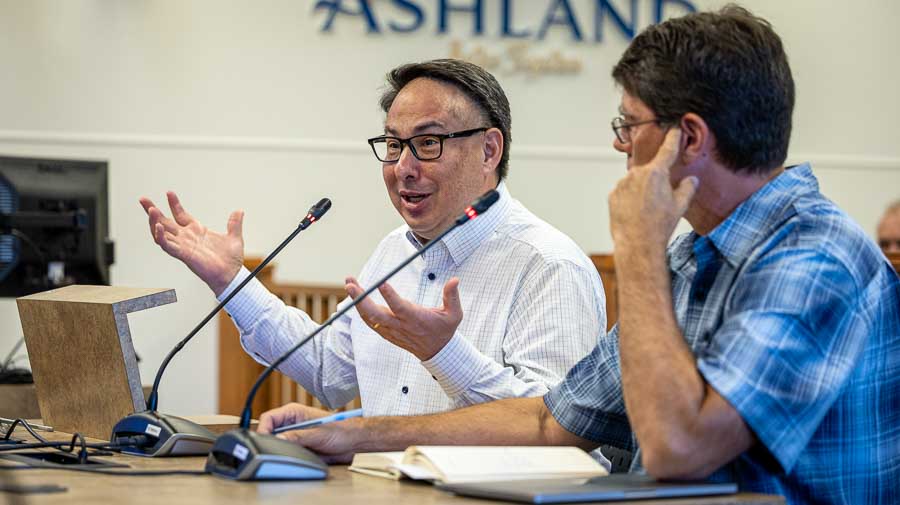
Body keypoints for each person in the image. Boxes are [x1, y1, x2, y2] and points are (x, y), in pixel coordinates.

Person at [260, 7, 900, 504]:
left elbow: (680, 448)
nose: (621, 148)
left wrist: (640, 249)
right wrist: (355, 434)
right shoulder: (691, 256)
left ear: (689, 139)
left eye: (629, 125)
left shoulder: (815, 259)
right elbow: (550, 419)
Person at [140, 59, 606, 418]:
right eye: (393, 144)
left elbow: (557, 426)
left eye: (428, 143)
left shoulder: (549, 265)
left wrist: (443, 352)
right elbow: (329, 369)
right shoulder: (393, 252)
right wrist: (230, 281)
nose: (403, 167)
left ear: (489, 150)